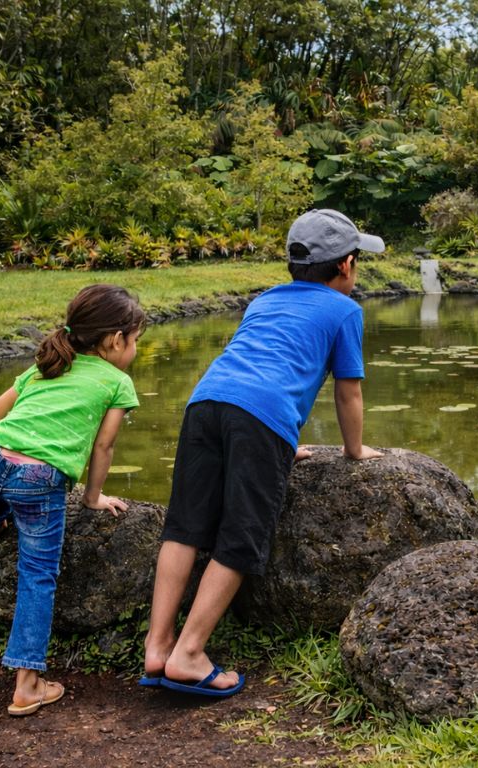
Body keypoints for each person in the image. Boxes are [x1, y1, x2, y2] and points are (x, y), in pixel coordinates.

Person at [141, 209, 384, 697]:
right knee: (241, 536)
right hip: (260, 418)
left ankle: (158, 645)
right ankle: (190, 655)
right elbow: (347, 392)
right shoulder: (345, 312)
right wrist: (354, 451)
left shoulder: (264, 299)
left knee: (185, 525)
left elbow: (261, 360)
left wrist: (281, 446)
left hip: (206, 402)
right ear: (347, 265)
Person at [0, 283, 145, 716]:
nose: (135, 350)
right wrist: (92, 497)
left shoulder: (46, 364)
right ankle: (27, 684)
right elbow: (103, 449)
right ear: (116, 340)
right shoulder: (117, 382)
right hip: (38, 481)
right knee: (38, 576)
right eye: (136, 341)